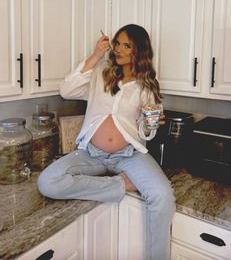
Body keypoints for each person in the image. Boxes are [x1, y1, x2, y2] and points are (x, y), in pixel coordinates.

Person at [38, 24, 175, 260]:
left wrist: (151, 124)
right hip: (91, 153)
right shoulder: (101, 73)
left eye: (127, 45)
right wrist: (95, 55)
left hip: (130, 156)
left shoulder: (146, 87)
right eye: (117, 43)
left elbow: (145, 132)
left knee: (163, 196)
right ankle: (121, 186)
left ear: (138, 51)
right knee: (48, 182)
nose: (119, 49)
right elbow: (67, 90)